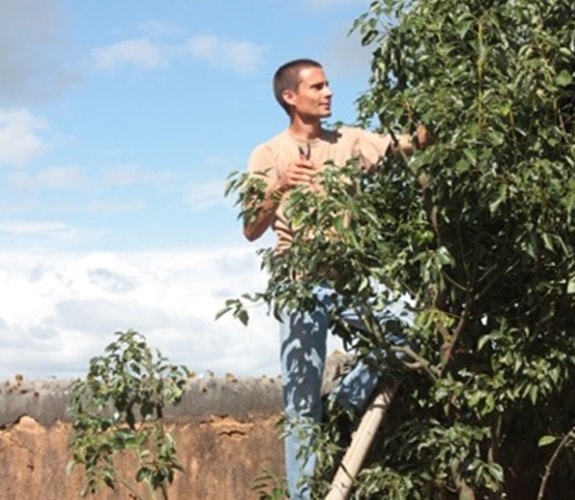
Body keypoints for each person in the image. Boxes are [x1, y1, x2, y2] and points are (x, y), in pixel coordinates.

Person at [242, 58, 428, 499]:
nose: (328, 93)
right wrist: (281, 186)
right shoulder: (269, 154)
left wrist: (437, 111)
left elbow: (410, 144)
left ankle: (344, 405)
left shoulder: (349, 140)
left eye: (328, 85)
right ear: (291, 96)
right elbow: (251, 227)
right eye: (318, 87)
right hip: (298, 283)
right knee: (302, 405)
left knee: (405, 333)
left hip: (347, 282)